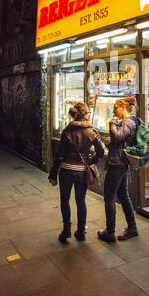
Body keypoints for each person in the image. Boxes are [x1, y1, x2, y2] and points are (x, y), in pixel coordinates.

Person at [48, 102, 104, 243]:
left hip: (66, 171)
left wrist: (53, 174)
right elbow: (101, 151)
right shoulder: (92, 132)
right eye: (88, 113)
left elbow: (59, 155)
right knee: (81, 201)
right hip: (82, 172)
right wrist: (91, 160)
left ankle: (66, 230)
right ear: (85, 115)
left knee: (64, 200)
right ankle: (80, 231)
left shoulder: (67, 130)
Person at [98, 97, 138, 243]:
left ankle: (110, 232)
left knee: (109, 196)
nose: (114, 110)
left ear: (123, 107)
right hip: (121, 162)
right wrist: (112, 142)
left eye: (115, 107)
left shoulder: (128, 121)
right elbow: (119, 141)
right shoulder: (126, 122)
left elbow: (118, 136)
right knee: (123, 194)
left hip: (118, 164)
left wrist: (112, 124)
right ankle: (132, 227)